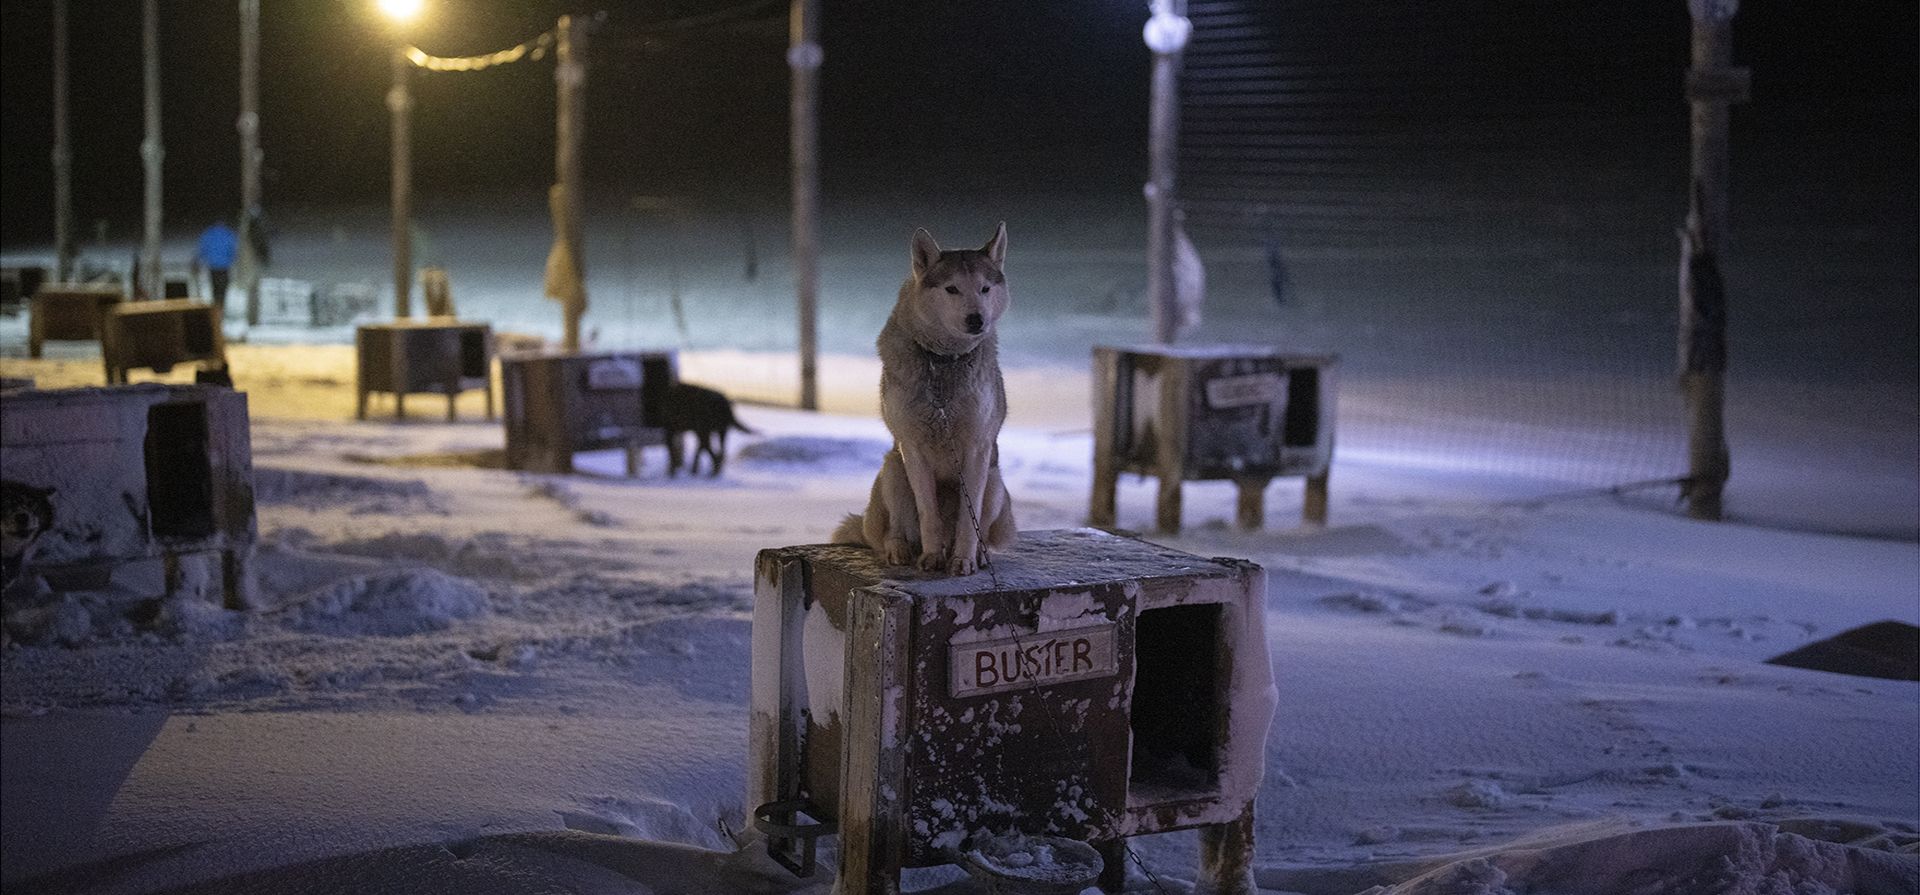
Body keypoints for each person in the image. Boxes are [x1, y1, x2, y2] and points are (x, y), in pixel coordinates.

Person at [196, 219, 239, 311]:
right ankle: (221, 307)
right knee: (223, 288)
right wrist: (233, 260)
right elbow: (233, 249)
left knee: (215, 288)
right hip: (224, 267)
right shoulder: (228, 233)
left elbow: (203, 248)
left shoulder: (208, 233)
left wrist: (201, 259)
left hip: (213, 266)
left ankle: (216, 307)